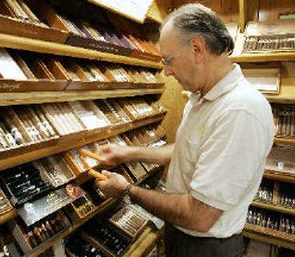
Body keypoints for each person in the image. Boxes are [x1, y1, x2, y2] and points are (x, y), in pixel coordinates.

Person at [95, 3, 274, 257]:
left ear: (197, 49)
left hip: (205, 247)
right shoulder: (201, 96)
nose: (166, 71)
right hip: (182, 234)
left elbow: (199, 216)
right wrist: (127, 153)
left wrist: (127, 190)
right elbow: (186, 149)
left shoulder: (240, 111)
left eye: (169, 60)